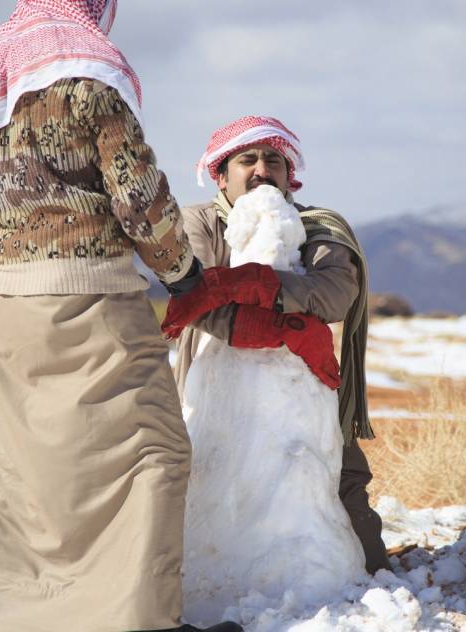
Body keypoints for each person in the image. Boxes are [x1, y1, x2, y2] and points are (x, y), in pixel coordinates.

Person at [0, 2, 257, 630]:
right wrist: (181, 272)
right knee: (153, 453)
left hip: (0, 302)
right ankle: (139, 619)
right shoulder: (85, 66)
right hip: (86, 294)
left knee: (21, 468)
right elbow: (137, 193)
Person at [162, 115, 390, 575]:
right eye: (247, 160)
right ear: (221, 176)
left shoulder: (317, 227)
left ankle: (363, 584)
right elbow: (200, 302)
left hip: (302, 394)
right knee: (200, 489)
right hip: (212, 394)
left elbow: (335, 293)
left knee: (333, 481)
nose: (261, 170)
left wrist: (254, 284)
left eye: (274, 161)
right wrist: (292, 328)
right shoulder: (196, 224)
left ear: (291, 177)